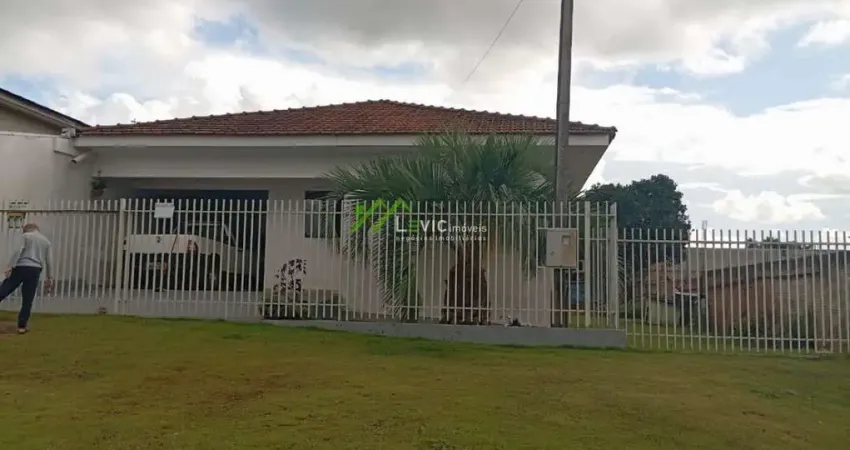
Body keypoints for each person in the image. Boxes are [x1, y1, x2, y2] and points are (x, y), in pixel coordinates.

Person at [0, 223, 53, 334]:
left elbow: (19, 250)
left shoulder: (26, 236)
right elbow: (49, 261)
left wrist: (10, 266)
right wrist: (49, 277)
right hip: (35, 269)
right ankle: (22, 326)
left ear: (27, 230)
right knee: (28, 298)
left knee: (5, 289)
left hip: (21, 266)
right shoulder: (46, 241)